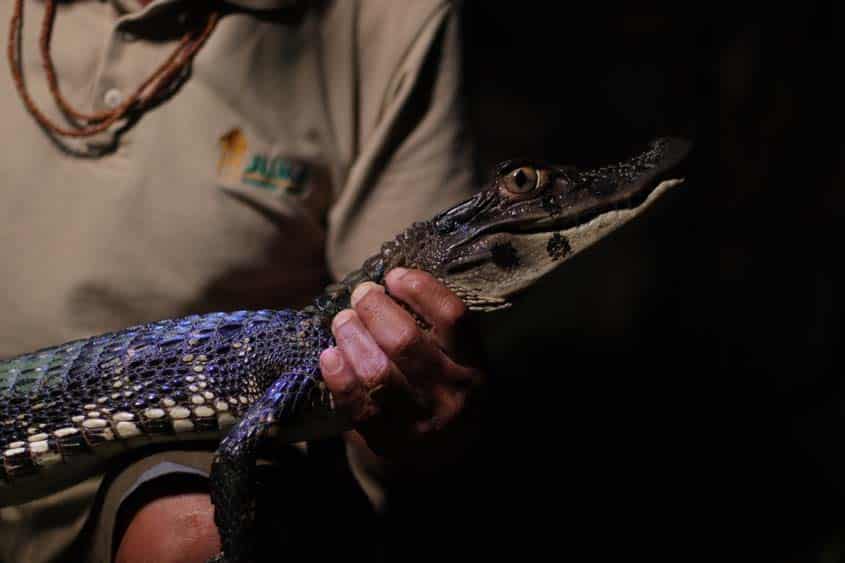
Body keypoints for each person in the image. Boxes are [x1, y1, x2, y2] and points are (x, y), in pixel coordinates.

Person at [0, 0, 484, 561]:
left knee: (185, 534)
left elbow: (406, 401)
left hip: (191, 465)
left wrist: (420, 430)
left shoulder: (388, 22)